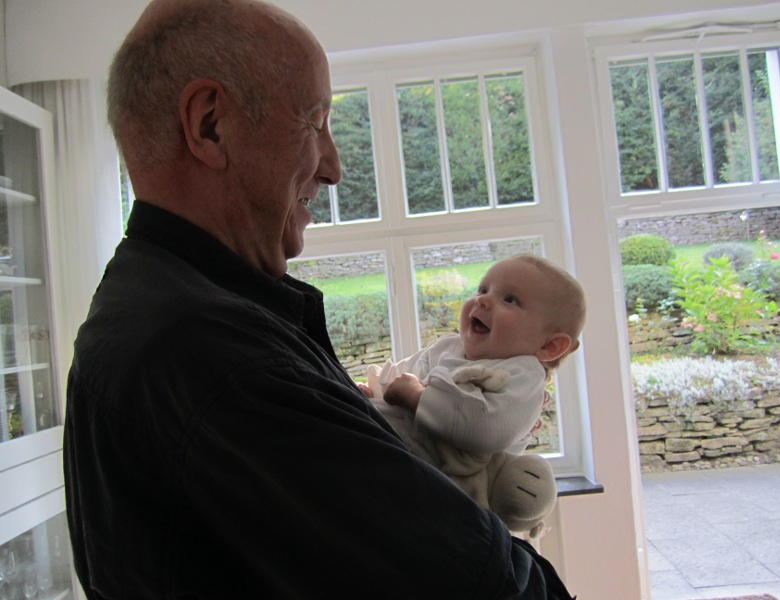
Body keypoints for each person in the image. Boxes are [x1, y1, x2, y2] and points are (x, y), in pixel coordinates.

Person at [63, 0, 576, 598]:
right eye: (314, 123)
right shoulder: (212, 355)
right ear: (210, 125)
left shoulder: (157, 312)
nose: (333, 168)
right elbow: (483, 584)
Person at [364, 255, 586, 537]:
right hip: (391, 459)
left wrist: (418, 397)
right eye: (482, 289)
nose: (482, 300)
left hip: (443, 496)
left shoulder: (524, 376)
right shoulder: (447, 347)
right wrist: (373, 392)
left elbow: (485, 427)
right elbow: (401, 376)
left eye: (510, 300)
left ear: (549, 346)